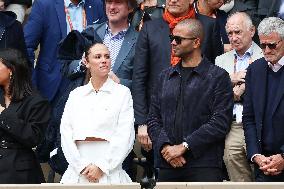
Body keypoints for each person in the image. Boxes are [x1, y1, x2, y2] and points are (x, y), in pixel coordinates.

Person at [147, 18, 233, 182]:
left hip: (204, 165)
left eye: (178, 39)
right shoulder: (164, 77)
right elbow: (153, 118)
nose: (173, 42)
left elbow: (220, 121)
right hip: (167, 163)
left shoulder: (218, 77)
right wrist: (166, 148)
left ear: (196, 42)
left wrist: (185, 147)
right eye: (172, 37)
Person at [133, 0, 196, 175]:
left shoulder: (206, 25)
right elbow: (139, 77)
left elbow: (213, 74)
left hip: (196, 122)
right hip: (158, 120)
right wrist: (142, 122)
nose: (173, 0)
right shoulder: (150, 28)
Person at [60, 43, 135, 184]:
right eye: (98, 57)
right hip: (78, 172)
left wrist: (102, 166)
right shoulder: (76, 95)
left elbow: (125, 135)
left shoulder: (122, 93)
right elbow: (66, 133)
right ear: (86, 62)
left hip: (110, 172)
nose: (103, 60)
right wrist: (81, 166)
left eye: (107, 56)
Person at [24, 0, 106, 102]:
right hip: (53, 83)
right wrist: (29, 83)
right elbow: (26, 46)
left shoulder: (96, 4)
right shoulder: (45, 4)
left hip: (88, 82)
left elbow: (104, 42)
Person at [215, 12, 263, 182]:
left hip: (259, 124)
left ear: (252, 31)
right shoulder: (220, 60)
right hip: (232, 124)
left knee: (261, 173)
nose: (234, 38)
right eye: (230, 33)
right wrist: (231, 82)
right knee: (234, 168)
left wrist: (245, 86)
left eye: (238, 32)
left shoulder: (265, 55)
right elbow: (213, 95)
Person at [243, 17, 284, 182]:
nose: (266, 50)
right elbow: (249, 117)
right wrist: (256, 155)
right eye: (263, 45)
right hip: (264, 165)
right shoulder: (255, 69)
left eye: (272, 45)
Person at [0, 48, 50, 184]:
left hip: (19, 172)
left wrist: (3, 114)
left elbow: (34, 138)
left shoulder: (36, 101)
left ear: (11, 69)